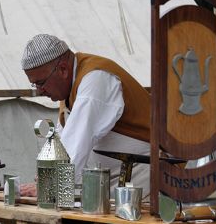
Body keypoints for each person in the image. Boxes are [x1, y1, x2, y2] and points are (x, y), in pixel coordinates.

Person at [20, 34, 151, 198]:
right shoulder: (69, 90)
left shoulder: (95, 79)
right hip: (116, 183)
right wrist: (44, 178)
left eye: (40, 83)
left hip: (143, 177)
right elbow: (63, 142)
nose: (39, 90)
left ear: (63, 70)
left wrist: (49, 186)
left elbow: (76, 142)